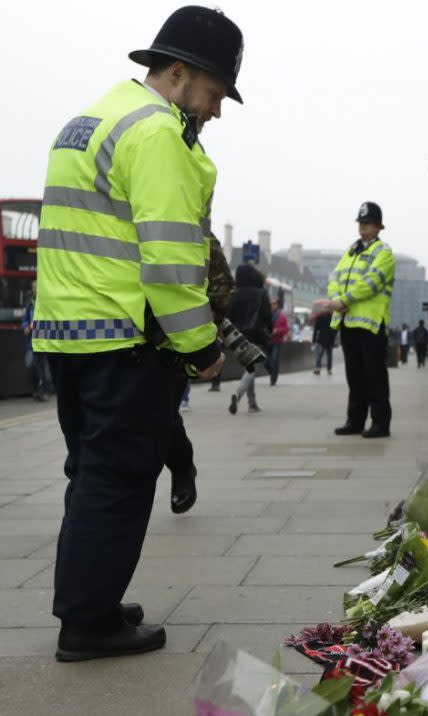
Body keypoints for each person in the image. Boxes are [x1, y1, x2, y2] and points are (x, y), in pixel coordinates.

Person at [31, 6, 243, 662]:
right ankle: (89, 624)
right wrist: (203, 347)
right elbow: (171, 260)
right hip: (124, 338)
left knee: (89, 473)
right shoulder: (156, 134)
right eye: (212, 94)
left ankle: (87, 598)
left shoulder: (91, 118)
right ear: (178, 74)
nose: (215, 111)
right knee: (118, 478)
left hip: (69, 332)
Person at [165, 233, 235, 514]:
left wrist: (202, 336)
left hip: (169, 341)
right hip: (112, 335)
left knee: (163, 417)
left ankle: (182, 466)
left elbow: (220, 286)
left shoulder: (194, 229)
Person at [328, 201, 396, 438]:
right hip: (348, 323)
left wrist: (343, 299)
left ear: (378, 226)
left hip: (370, 325)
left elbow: (371, 283)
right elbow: (334, 277)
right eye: (361, 222)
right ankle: (354, 421)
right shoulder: (351, 252)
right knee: (354, 376)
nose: (363, 227)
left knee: (375, 375)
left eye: (367, 223)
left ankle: (380, 423)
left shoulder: (384, 253)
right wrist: (335, 296)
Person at [228, 262, 272, 413]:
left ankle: (252, 403)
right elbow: (267, 316)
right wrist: (270, 330)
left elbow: (230, 316)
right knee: (253, 369)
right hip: (257, 334)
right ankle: (238, 393)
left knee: (250, 367)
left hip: (239, 336)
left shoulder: (233, 294)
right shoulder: (261, 293)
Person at [21, 281, 53, 401]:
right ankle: (36, 389)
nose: (36, 289)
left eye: (38, 287)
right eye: (34, 287)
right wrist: (25, 326)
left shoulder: (46, 303)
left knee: (43, 368)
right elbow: (24, 319)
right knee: (30, 365)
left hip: (43, 341)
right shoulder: (29, 303)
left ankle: (43, 391)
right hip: (31, 342)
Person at [267, 299, 289, 385]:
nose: (272, 306)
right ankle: (273, 372)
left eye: (273, 304)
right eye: (271, 304)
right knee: (266, 361)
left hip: (277, 341)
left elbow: (286, 329)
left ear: (277, 305)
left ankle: (273, 379)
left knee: (275, 359)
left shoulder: (282, 316)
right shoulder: (267, 315)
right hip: (268, 340)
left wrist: (278, 331)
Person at [312, 310, 335, 375]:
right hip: (329, 339)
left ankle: (318, 369)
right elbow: (334, 329)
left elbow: (316, 329)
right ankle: (329, 369)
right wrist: (333, 337)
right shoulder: (331, 317)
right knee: (329, 355)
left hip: (321, 339)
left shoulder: (320, 317)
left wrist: (313, 340)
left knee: (319, 355)